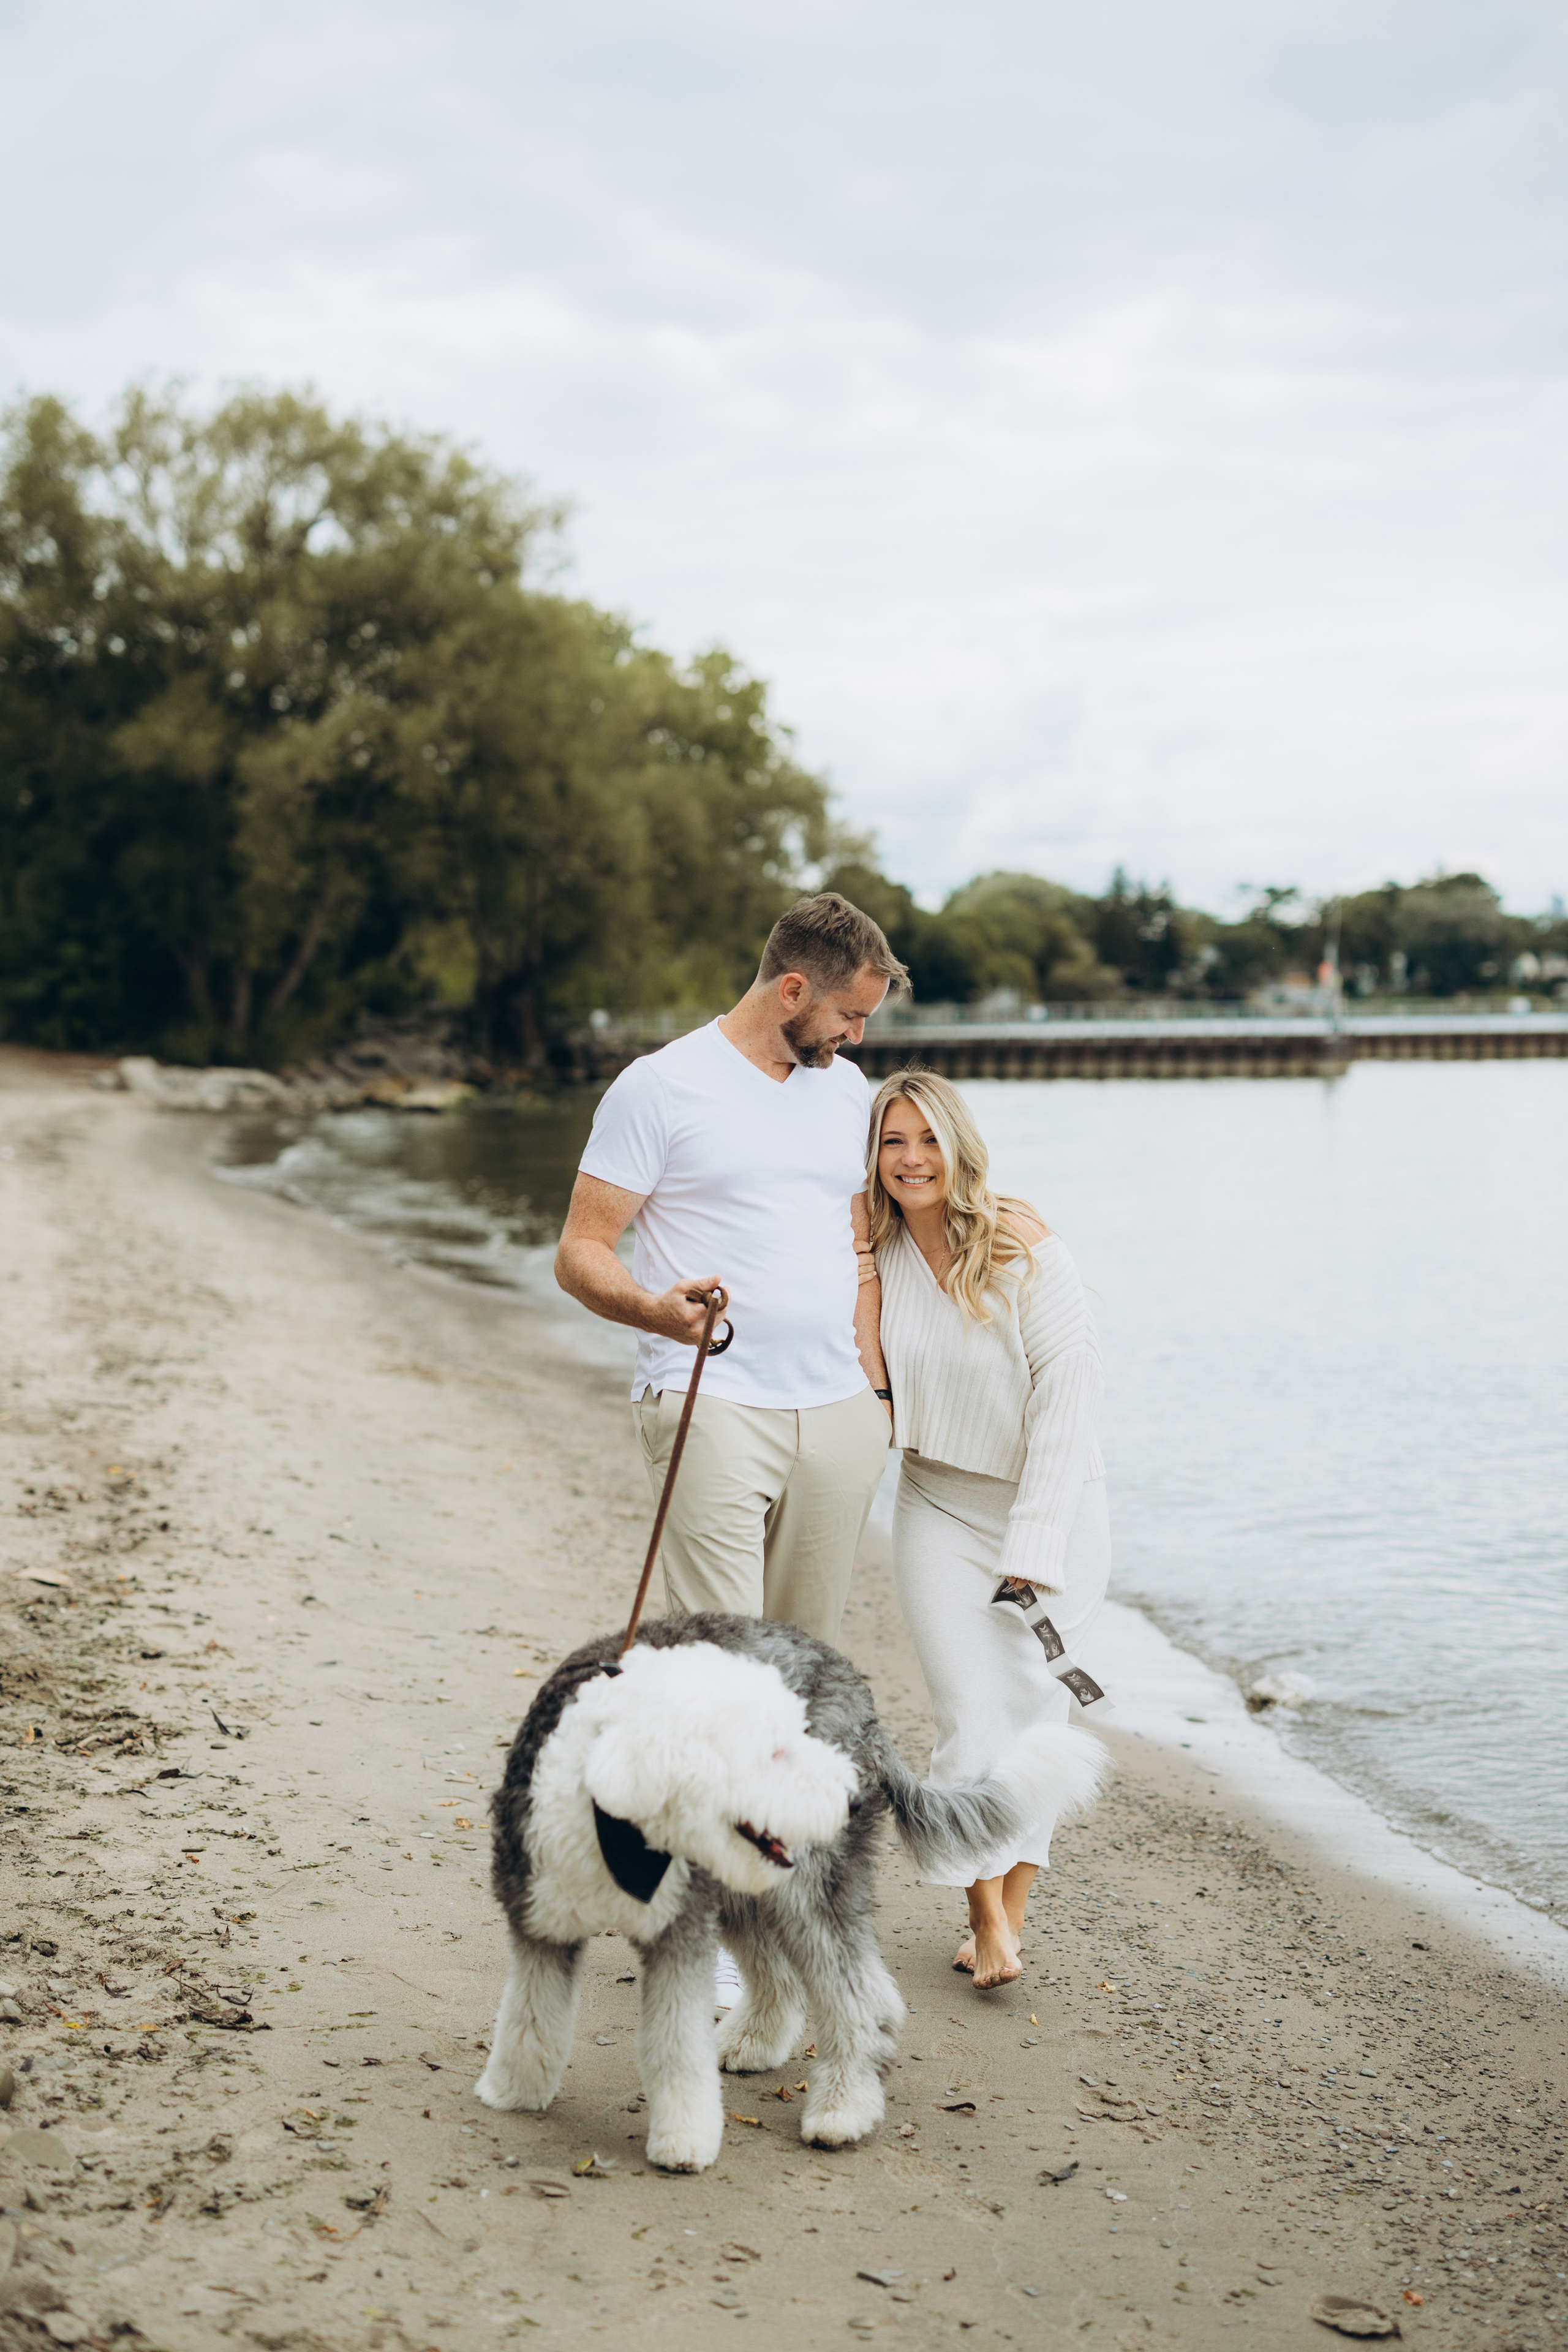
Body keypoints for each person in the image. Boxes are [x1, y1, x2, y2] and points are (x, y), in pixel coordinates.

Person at [555, 891, 902, 1648]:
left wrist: (874, 1397)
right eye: (850, 1014)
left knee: (807, 1658)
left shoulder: (847, 1088)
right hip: (710, 1400)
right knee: (725, 1655)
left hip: (839, 1409)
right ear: (792, 990)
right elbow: (579, 1252)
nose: (857, 1035)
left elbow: (861, 1250)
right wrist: (653, 1311)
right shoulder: (659, 1086)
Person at [869, 1069, 1109, 1991]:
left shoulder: (1024, 1247)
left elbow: (1069, 1404)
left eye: (929, 1139)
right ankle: (983, 1915)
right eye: (893, 1142)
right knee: (971, 1717)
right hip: (937, 1503)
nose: (912, 1160)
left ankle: (1009, 1917)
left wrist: (1034, 1548)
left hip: (1053, 1509)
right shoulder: (874, 1250)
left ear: (960, 1147)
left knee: (1036, 1716)